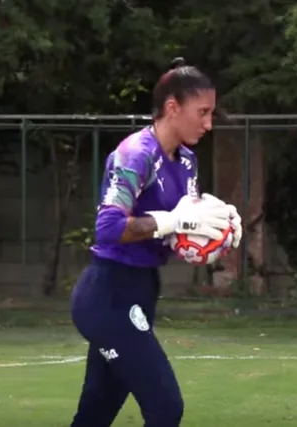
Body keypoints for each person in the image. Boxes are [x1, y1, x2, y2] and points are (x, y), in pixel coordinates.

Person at [69, 58, 243, 427]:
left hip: (143, 290)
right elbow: (108, 226)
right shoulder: (135, 155)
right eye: (203, 112)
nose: (209, 124)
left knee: (95, 413)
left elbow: (181, 232)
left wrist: (219, 230)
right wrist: (170, 221)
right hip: (108, 295)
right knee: (165, 407)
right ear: (172, 107)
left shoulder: (188, 163)